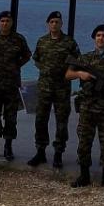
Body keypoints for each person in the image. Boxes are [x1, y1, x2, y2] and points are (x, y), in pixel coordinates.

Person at [66, 24, 104, 190]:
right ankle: (84, 175)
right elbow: (68, 74)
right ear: (94, 38)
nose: (101, 38)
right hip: (87, 106)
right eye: (98, 35)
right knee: (84, 141)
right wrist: (80, 74)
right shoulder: (85, 58)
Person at [28, 11, 80, 168]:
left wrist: (67, 72)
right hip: (44, 87)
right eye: (51, 22)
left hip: (62, 89)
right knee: (40, 120)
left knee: (61, 122)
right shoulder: (42, 41)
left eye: (57, 22)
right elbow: (36, 59)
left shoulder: (69, 42)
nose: (54, 24)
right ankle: (40, 152)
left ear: (61, 24)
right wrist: (46, 70)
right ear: (48, 24)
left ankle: (58, 153)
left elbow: (77, 61)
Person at [0, 10, 32, 160]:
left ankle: (8, 146)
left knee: (11, 117)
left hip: (11, 85)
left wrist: (16, 65)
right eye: (2, 21)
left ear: (12, 23)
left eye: (7, 21)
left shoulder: (19, 39)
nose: (5, 23)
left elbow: (27, 55)